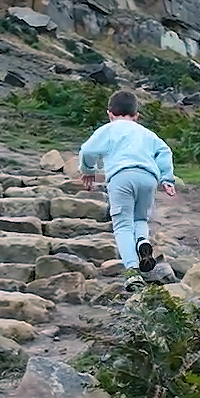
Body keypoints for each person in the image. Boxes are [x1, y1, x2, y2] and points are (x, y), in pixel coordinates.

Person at [78, 89, 176, 284]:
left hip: (121, 177)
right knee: (140, 218)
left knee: (122, 224)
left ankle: (132, 271)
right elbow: (164, 151)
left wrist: (88, 170)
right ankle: (142, 241)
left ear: (109, 114)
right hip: (148, 178)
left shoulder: (108, 130)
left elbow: (87, 150)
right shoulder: (147, 133)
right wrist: (167, 178)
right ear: (136, 116)